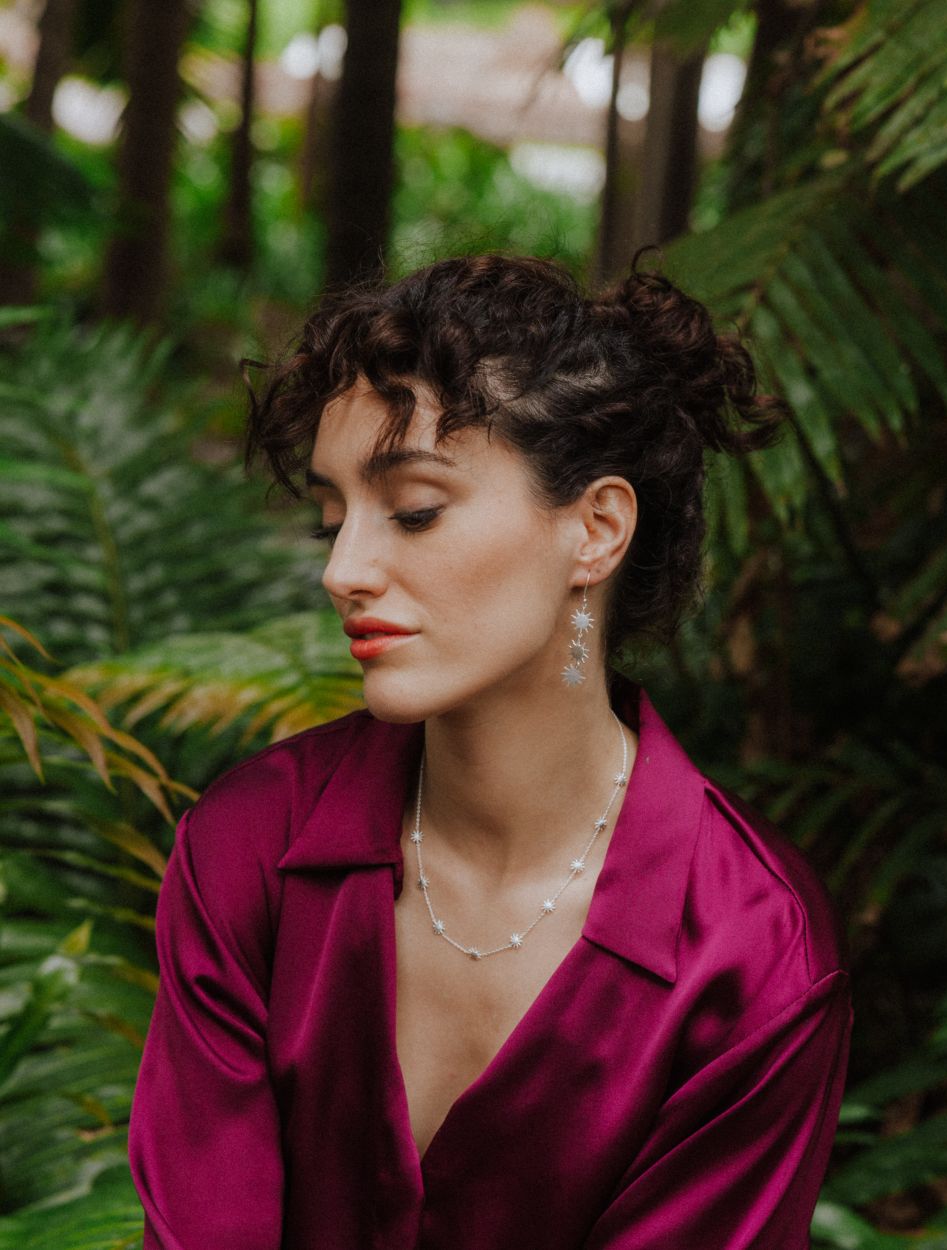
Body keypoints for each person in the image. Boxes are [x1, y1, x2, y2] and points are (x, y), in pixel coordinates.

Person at [127, 253, 852, 1249]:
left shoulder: (754, 952)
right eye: (333, 517)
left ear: (596, 529)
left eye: (414, 511)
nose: (343, 570)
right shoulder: (248, 846)